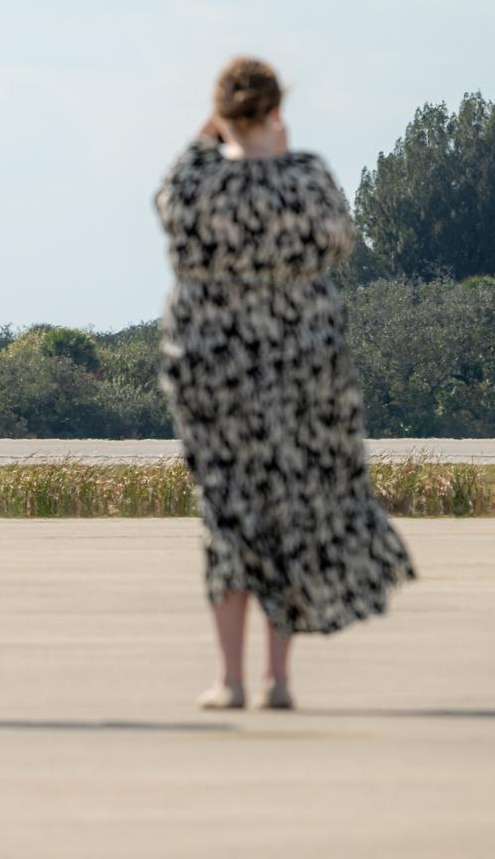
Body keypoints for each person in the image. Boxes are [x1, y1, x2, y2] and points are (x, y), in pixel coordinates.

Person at [155, 57, 414, 711]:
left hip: (215, 374)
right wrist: (283, 151)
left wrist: (211, 133)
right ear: (276, 110)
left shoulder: (196, 181)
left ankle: (230, 678)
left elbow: (168, 207)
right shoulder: (307, 177)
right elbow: (336, 242)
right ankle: (278, 677)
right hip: (300, 369)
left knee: (228, 515)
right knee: (288, 513)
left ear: (220, 112)